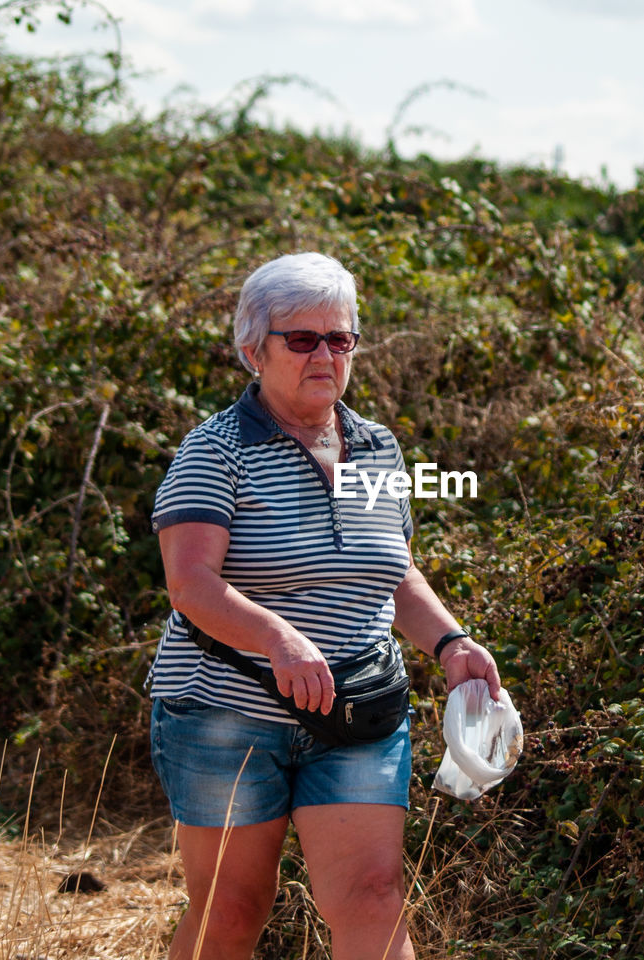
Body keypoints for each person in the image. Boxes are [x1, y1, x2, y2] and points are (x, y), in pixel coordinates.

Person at [147, 252, 501, 960]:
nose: (325, 355)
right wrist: (278, 638)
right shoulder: (216, 452)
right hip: (226, 712)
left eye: (340, 339)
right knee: (232, 913)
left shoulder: (377, 449)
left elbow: (392, 571)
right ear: (254, 349)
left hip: (357, 711)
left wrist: (452, 644)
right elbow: (190, 583)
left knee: (372, 895)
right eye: (302, 339)